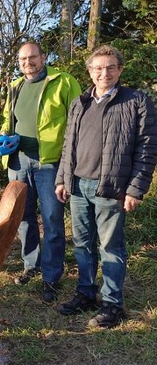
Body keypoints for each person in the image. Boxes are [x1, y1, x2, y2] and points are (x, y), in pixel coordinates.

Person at [55, 45, 157, 328]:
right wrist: (62, 179)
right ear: (90, 71)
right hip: (78, 186)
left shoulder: (136, 101)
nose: (104, 73)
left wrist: (136, 189)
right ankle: (85, 293)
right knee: (82, 245)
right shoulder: (80, 102)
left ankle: (112, 304)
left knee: (111, 246)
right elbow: (68, 145)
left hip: (111, 188)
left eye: (111, 67)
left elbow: (147, 149)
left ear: (120, 70)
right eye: (98, 68)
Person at [1, 41, 81, 303]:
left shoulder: (64, 81)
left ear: (43, 57)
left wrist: (71, 161)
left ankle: (51, 276)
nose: (28, 63)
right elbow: (7, 119)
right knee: (23, 217)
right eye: (23, 59)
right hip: (18, 161)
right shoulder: (15, 86)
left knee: (52, 219)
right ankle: (30, 265)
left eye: (33, 57)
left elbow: (77, 122)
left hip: (49, 162)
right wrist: (2, 137)